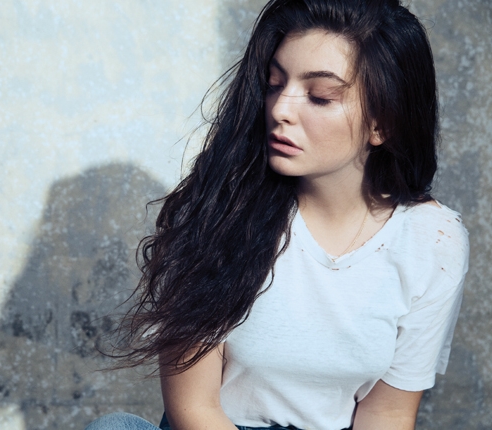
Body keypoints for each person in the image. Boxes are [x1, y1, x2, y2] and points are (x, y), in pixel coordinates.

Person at [85, 0, 469, 429]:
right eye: (273, 84)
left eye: (319, 97)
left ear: (383, 123)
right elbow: (194, 409)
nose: (280, 109)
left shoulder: (433, 239)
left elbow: (388, 413)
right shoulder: (221, 210)